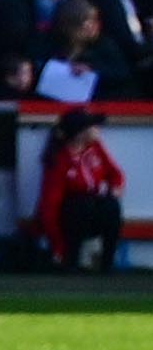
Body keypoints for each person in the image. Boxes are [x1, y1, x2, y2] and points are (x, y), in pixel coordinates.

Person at [35, 105, 124, 269]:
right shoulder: (60, 160)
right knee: (81, 205)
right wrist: (57, 243)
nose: (97, 130)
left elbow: (115, 173)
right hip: (71, 215)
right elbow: (50, 205)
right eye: (92, 126)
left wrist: (115, 187)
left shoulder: (95, 148)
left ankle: (107, 262)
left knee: (111, 207)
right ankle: (69, 258)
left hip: (93, 207)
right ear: (80, 132)